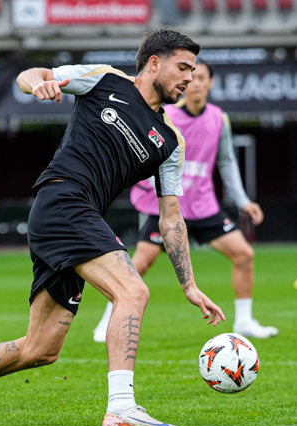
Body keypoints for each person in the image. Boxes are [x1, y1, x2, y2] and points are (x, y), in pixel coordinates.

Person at [0, 29, 224, 426]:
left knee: (40, 348)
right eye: (183, 67)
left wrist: (189, 285)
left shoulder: (170, 142)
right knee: (133, 291)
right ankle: (121, 407)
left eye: (193, 71)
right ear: (154, 63)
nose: (190, 78)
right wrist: (39, 84)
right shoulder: (105, 79)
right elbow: (30, 74)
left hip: (72, 218)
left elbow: (171, 218)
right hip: (62, 202)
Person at [93, 61, 277, 343]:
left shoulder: (219, 119)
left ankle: (244, 322)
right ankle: (108, 321)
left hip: (203, 206)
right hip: (168, 207)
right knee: (139, 264)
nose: (196, 82)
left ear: (210, 83)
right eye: (192, 77)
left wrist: (243, 201)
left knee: (244, 254)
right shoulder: (167, 116)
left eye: (202, 77)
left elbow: (227, 162)